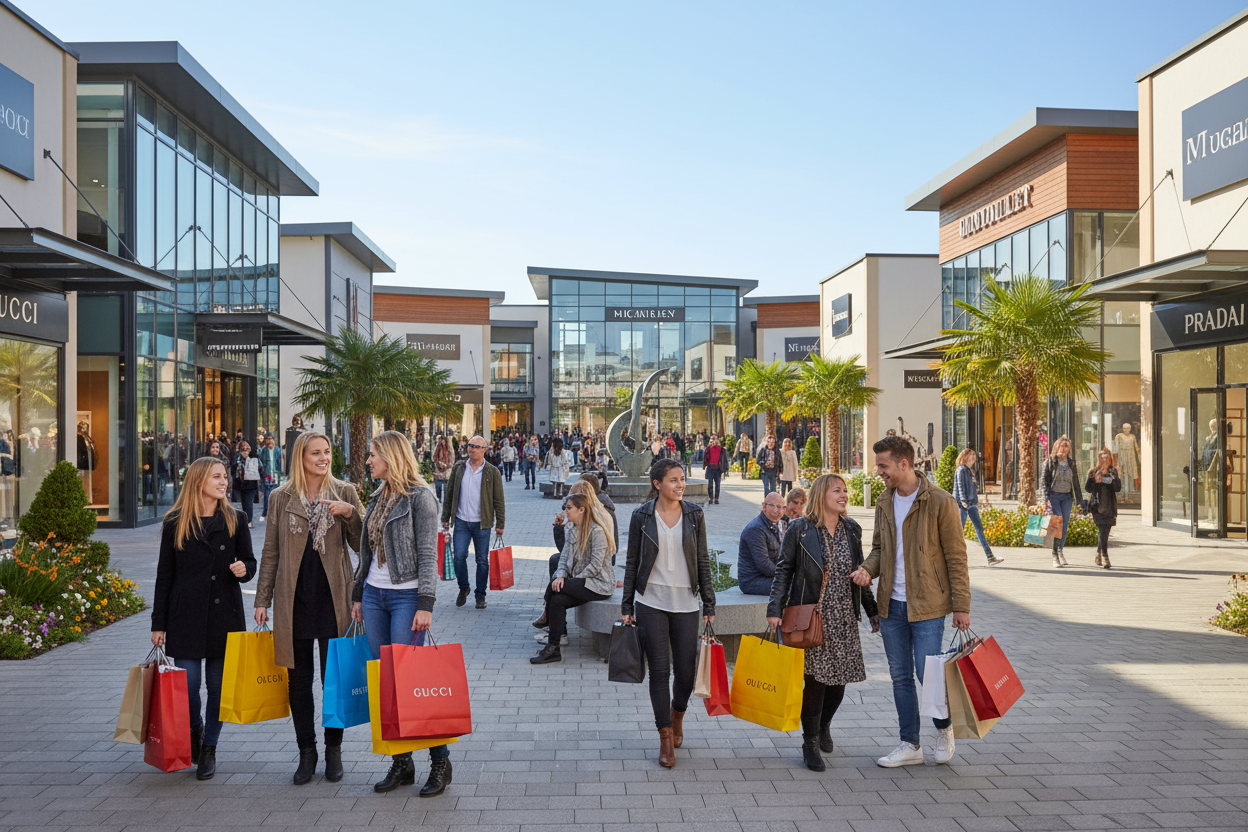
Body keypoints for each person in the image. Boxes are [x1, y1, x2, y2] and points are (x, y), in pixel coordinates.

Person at [850, 435, 971, 769]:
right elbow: (879, 549)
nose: (879, 472)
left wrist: (962, 606)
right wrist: (866, 570)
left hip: (928, 605)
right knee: (900, 676)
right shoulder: (884, 501)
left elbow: (956, 558)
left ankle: (944, 730)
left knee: (927, 676)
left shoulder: (940, 502)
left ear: (904, 464)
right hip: (892, 604)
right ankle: (910, 744)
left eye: (883, 465)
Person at [255, 431, 364, 785]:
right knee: (298, 682)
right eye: (315, 453)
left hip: (334, 600)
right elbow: (270, 551)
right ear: (300, 458)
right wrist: (262, 600)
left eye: (327, 452)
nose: (323, 458)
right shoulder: (280, 497)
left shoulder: (344, 492)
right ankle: (307, 751)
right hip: (294, 601)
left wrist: (350, 514)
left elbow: (364, 544)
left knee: (332, 680)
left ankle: (334, 750)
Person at [350, 431, 451, 797]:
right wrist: (358, 594)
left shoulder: (421, 498)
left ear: (391, 457)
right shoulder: (378, 495)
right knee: (386, 685)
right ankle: (402, 762)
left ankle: (440, 761)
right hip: (375, 596)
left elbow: (428, 554)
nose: (368, 460)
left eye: (373, 454)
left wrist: (426, 604)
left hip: (407, 598)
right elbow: (366, 551)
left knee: (412, 683)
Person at [151, 457, 256, 781]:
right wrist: (159, 623)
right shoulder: (175, 522)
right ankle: (195, 730)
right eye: (217, 477)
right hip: (186, 616)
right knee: (189, 686)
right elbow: (164, 576)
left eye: (225, 476)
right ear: (199, 481)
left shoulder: (236, 518)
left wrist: (244, 570)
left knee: (218, 687)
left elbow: (249, 563)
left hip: (224, 615)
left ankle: (209, 747)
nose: (224, 482)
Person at [767, 474, 878, 771]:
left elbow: (862, 574)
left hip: (844, 617)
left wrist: (872, 610)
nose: (843, 494)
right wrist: (774, 609)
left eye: (845, 490)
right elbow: (783, 571)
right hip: (812, 616)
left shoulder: (851, 529)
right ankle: (810, 741)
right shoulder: (800, 529)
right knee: (815, 682)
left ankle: (824, 724)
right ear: (821, 495)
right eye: (836, 490)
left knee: (839, 683)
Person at [621, 459, 715, 768]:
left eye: (682, 479)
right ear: (657, 484)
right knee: (659, 671)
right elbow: (632, 562)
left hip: (686, 604)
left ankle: (678, 716)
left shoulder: (695, 514)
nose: (680, 484)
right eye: (673, 480)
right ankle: (664, 736)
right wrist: (627, 605)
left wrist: (709, 604)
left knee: (686, 673)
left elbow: (702, 559)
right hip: (651, 602)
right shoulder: (642, 517)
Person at [530, 493, 617, 664]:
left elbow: (596, 566)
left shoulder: (597, 531)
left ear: (581, 510)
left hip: (599, 584)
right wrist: (561, 575)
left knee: (557, 589)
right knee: (557, 599)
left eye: (569, 507)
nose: (565, 511)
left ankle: (546, 617)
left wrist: (572, 580)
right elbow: (563, 559)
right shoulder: (572, 529)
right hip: (581, 582)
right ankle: (553, 649)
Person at [441, 435, 506, 610]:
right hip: (461, 521)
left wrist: (500, 523)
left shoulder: (492, 472)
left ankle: (480, 595)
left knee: (482, 560)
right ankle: (464, 587)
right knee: (459, 556)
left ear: (485, 450)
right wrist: (445, 518)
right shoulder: (459, 469)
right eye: (470, 445)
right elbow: (449, 495)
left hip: (482, 523)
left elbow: (499, 500)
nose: (472, 449)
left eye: (476, 446)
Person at [953, 449, 1003, 566]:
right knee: (959, 532)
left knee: (979, 529)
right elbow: (960, 487)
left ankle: (990, 557)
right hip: (963, 505)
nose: (974, 458)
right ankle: (953, 559)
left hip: (971, 504)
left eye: (974, 455)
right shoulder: (961, 470)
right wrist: (964, 502)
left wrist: (976, 500)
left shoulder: (969, 470)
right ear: (965, 457)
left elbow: (972, 489)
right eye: (971, 455)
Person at [1041, 435, 1083, 569]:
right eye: (1062, 446)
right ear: (1056, 447)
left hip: (1067, 497)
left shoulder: (1071, 463)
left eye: (1067, 446)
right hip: (1054, 496)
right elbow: (1043, 482)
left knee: (1064, 525)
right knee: (1057, 524)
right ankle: (1054, 554)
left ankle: (1060, 550)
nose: (1064, 448)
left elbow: (1075, 483)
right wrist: (1045, 499)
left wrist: (1080, 500)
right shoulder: (1050, 462)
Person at [737, 492, 784, 596]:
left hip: (769, 576)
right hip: (753, 581)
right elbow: (764, 565)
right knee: (795, 587)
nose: (777, 511)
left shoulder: (777, 524)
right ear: (764, 507)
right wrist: (787, 574)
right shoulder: (756, 529)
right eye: (773, 506)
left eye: (781, 507)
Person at [1085, 447, 1121, 570]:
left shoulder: (1113, 471)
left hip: (1109, 506)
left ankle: (1098, 553)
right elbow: (1088, 489)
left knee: (1106, 532)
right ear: (1098, 458)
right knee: (1102, 531)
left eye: (1106, 456)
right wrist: (1096, 481)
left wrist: (1113, 480)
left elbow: (1118, 488)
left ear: (1110, 458)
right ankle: (1106, 557)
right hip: (1097, 506)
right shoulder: (1093, 471)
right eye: (1102, 456)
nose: (1104, 458)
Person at [233, 440, 261, 528]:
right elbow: (233, 469)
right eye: (243, 447)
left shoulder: (254, 457)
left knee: (249, 502)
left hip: (251, 484)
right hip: (241, 484)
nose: (245, 449)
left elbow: (260, 468)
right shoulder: (238, 457)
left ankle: (249, 521)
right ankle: (245, 520)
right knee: (244, 503)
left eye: (247, 447)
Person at [258, 435, 283, 522]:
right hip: (267, 475)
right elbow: (260, 463)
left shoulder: (277, 450)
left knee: (276, 494)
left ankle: (276, 513)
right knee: (267, 495)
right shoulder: (263, 450)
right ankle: (266, 513)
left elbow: (279, 463)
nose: (270, 441)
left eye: (271, 439)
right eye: (268, 439)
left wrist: (280, 474)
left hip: (275, 474)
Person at [702, 433, 727, 505]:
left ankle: (716, 498)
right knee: (710, 484)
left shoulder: (721, 449)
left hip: (717, 469)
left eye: (715, 438)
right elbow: (705, 458)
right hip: (710, 468)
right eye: (712, 439)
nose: (713, 440)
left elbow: (724, 460)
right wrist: (704, 466)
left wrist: (725, 470)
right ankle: (710, 498)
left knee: (717, 484)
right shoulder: (708, 449)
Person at [431, 435, 453, 501]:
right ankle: (440, 502)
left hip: (447, 475)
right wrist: (439, 464)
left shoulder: (449, 449)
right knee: (438, 492)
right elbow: (433, 458)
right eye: (440, 440)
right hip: (438, 474)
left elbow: (452, 460)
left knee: (447, 493)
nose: (442, 442)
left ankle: (445, 505)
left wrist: (446, 465)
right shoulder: (437, 448)